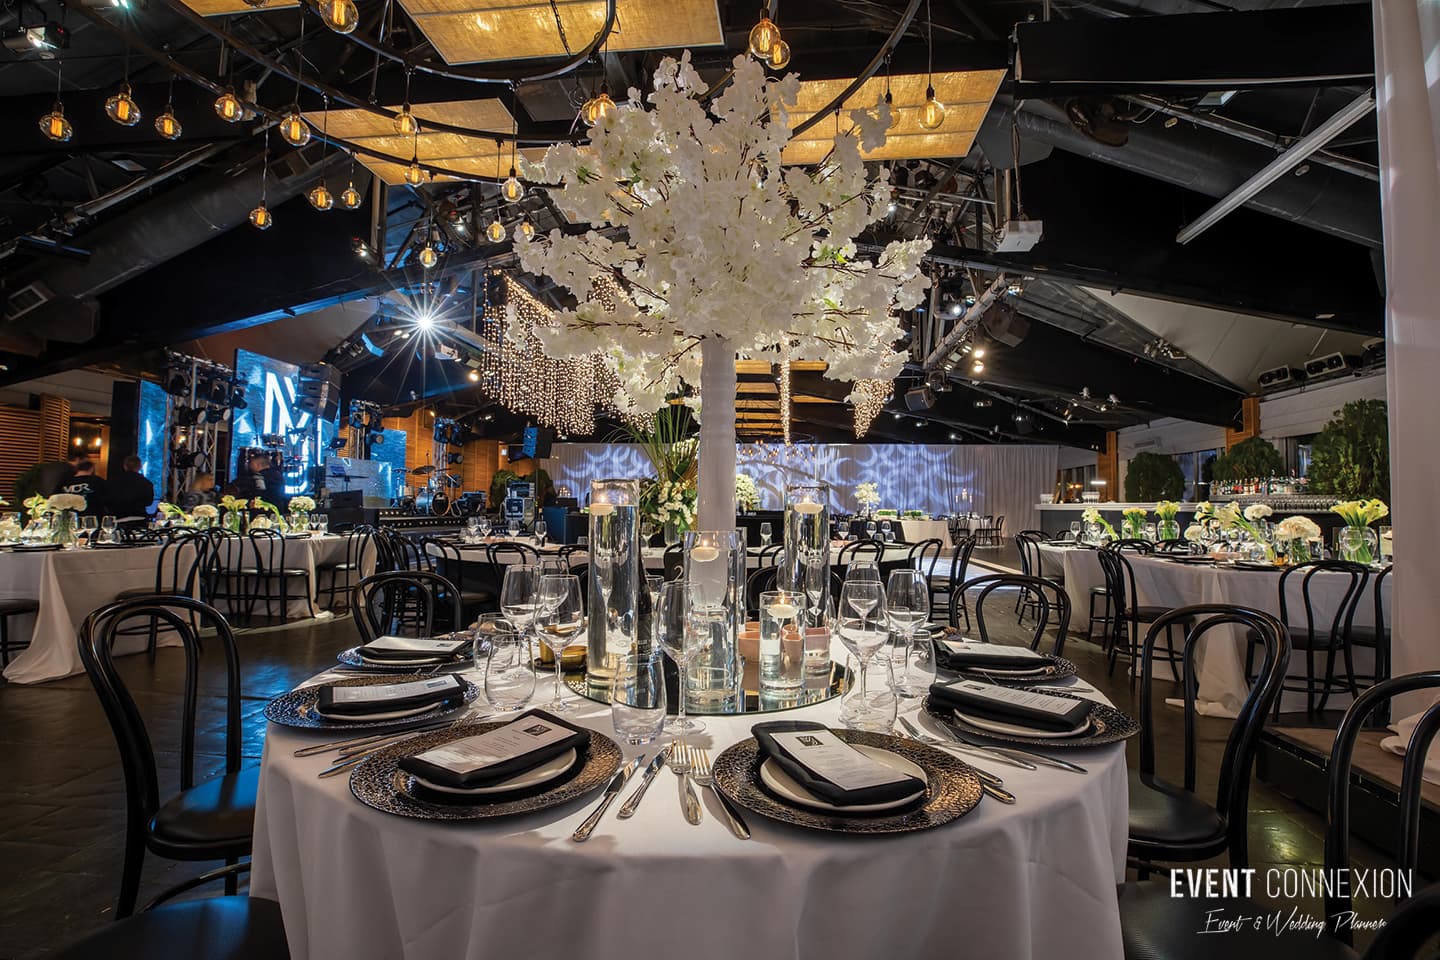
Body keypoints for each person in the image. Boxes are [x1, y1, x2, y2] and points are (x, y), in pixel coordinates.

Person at [13, 451, 83, 502]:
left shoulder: (46, 467)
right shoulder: (70, 471)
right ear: (78, 459)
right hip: (51, 506)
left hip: (33, 503)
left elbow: (20, 484)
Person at [107, 455, 155, 521]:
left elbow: (107, 499)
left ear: (124, 466)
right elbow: (149, 502)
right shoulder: (146, 483)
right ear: (140, 467)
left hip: (118, 518)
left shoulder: (113, 481)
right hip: (139, 517)